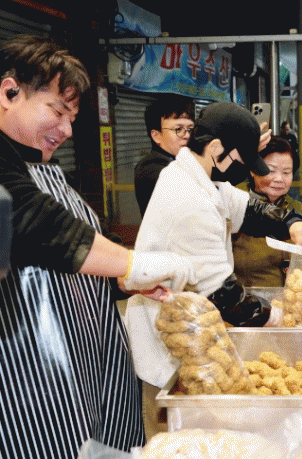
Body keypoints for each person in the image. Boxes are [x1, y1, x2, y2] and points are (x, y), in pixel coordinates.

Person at [0, 35, 193, 458]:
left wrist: (122, 281)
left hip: (89, 363)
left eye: (72, 117)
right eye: (57, 111)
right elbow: (39, 226)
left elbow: (79, 254)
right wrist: (132, 263)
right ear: (9, 92)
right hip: (32, 375)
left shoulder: (45, 168)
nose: (67, 130)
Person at [126, 102, 302, 390]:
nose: (244, 169)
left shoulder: (204, 178)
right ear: (215, 148)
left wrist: (292, 223)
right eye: (241, 159)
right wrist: (281, 318)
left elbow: (250, 210)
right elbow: (223, 295)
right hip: (171, 336)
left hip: (194, 326)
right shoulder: (189, 199)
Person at [232, 136, 302, 287]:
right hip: (246, 295)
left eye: (286, 172)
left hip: (290, 296)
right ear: (253, 171)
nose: (279, 179)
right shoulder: (235, 201)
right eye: (270, 170)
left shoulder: (298, 209)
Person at [134, 95, 194, 216]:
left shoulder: (182, 160)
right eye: (178, 129)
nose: (187, 135)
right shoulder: (151, 168)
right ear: (156, 136)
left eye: (190, 129)